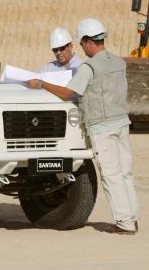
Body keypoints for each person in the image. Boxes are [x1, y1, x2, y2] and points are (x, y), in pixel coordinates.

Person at [27, 18, 139, 235]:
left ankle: (125, 223)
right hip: (122, 123)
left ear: (88, 41)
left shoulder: (88, 67)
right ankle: (132, 217)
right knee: (125, 173)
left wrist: (41, 83)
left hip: (102, 126)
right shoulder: (119, 63)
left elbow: (68, 93)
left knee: (111, 175)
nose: (82, 49)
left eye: (82, 44)